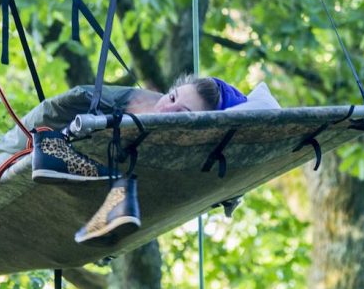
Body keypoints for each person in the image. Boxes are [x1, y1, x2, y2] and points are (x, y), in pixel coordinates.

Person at [31, 75, 247, 244]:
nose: (166, 108)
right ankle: (53, 150)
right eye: (172, 97)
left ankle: (115, 200)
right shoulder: (133, 107)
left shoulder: (193, 162)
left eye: (181, 113)